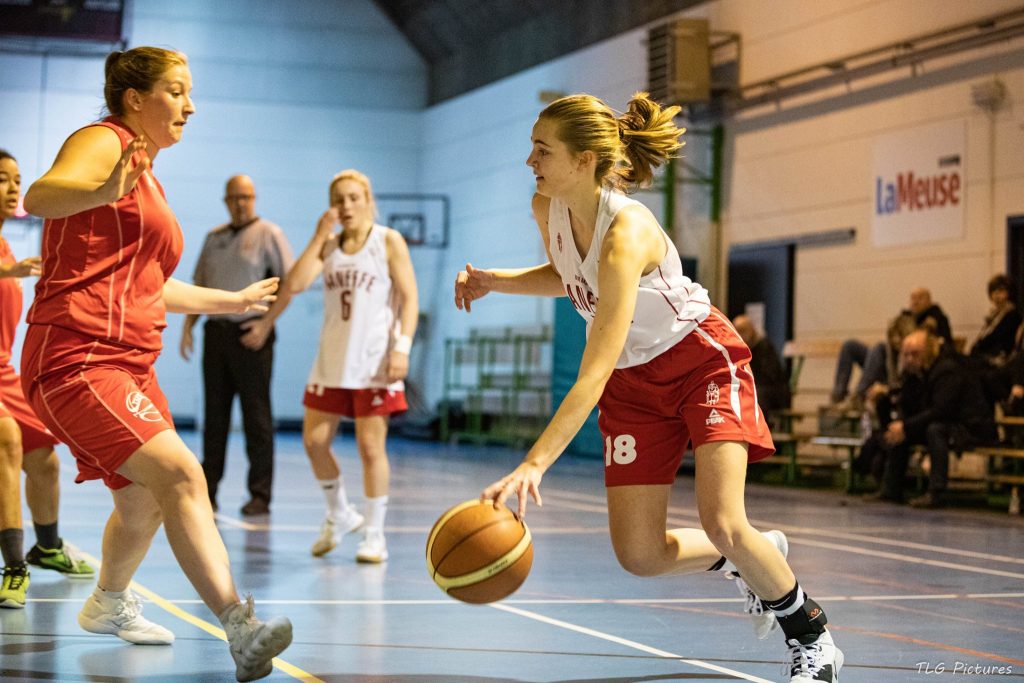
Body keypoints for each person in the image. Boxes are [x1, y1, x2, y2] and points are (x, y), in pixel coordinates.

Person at [456, 92, 842, 683]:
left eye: (542, 149)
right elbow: (570, 275)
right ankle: (751, 558)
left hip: (699, 363)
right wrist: (494, 281)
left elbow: (593, 372)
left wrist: (534, 463)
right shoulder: (546, 206)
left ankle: (813, 639)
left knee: (723, 520)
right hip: (635, 384)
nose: (529, 160)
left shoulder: (626, 233)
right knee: (639, 555)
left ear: (584, 160)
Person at [21, 47, 291, 680]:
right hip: (77, 356)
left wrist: (230, 300)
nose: (189, 106)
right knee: (182, 474)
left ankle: (107, 602)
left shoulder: (148, 178)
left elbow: (149, 284)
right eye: (176, 91)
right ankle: (240, 625)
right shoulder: (104, 141)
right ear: (135, 99)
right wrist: (100, 188)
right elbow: (39, 196)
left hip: (129, 362)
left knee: (143, 503)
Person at [288, 169, 418, 563]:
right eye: (338, 200)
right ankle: (341, 513)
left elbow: (410, 299)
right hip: (332, 359)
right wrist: (317, 237)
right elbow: (295, 284)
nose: (345, 206)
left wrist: (402, 348)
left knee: (370, 447)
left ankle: (375, 535)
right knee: (314, 443)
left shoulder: (387, 241)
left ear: (367, 200)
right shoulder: (329, 246)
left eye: (353, 198)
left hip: (374, 359)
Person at [0, 150, 94, 609]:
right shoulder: (7, 261)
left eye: (17, 179)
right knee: (6, 440)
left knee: (44, 458)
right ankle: (14, 567)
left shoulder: (6, 246)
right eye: (2, 178)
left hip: (5, 371)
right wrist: (8, 272)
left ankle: (48, 547)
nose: (13, 187)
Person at [180, 174, 294, 516]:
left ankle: (260, 494)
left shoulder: (269, 234)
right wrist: (188, 327)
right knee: (214, 417)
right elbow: (199, 286)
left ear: (254, 198)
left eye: (246, 197)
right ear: (226, 201)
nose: (240, 203)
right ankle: (209, 491)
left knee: (256, 417)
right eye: (234, 198)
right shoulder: (213, 238)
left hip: (252, 335)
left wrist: (266, 324)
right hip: (217, 334)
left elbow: (289, 285)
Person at [866, 330, 995, 508]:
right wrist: (899, 421)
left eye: (915, 354)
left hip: (970, 427)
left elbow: (941, 410)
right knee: (901, 431)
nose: (909, 359)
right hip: (945, 423)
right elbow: (908, 405)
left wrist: (906, 426)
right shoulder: (915, 373)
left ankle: (936, 491)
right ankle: (891, 489)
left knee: (933, 429)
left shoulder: (948, 370)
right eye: (906, 355)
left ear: (928, 352)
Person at [732, 314, 791, 418]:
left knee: (755, 395)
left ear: (751, 329)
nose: (740, 334)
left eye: (743, 330)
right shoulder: (738, 349)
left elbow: (770, 376)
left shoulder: (764, 347)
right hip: (755, 388)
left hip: (773, 391)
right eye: (737, 331)